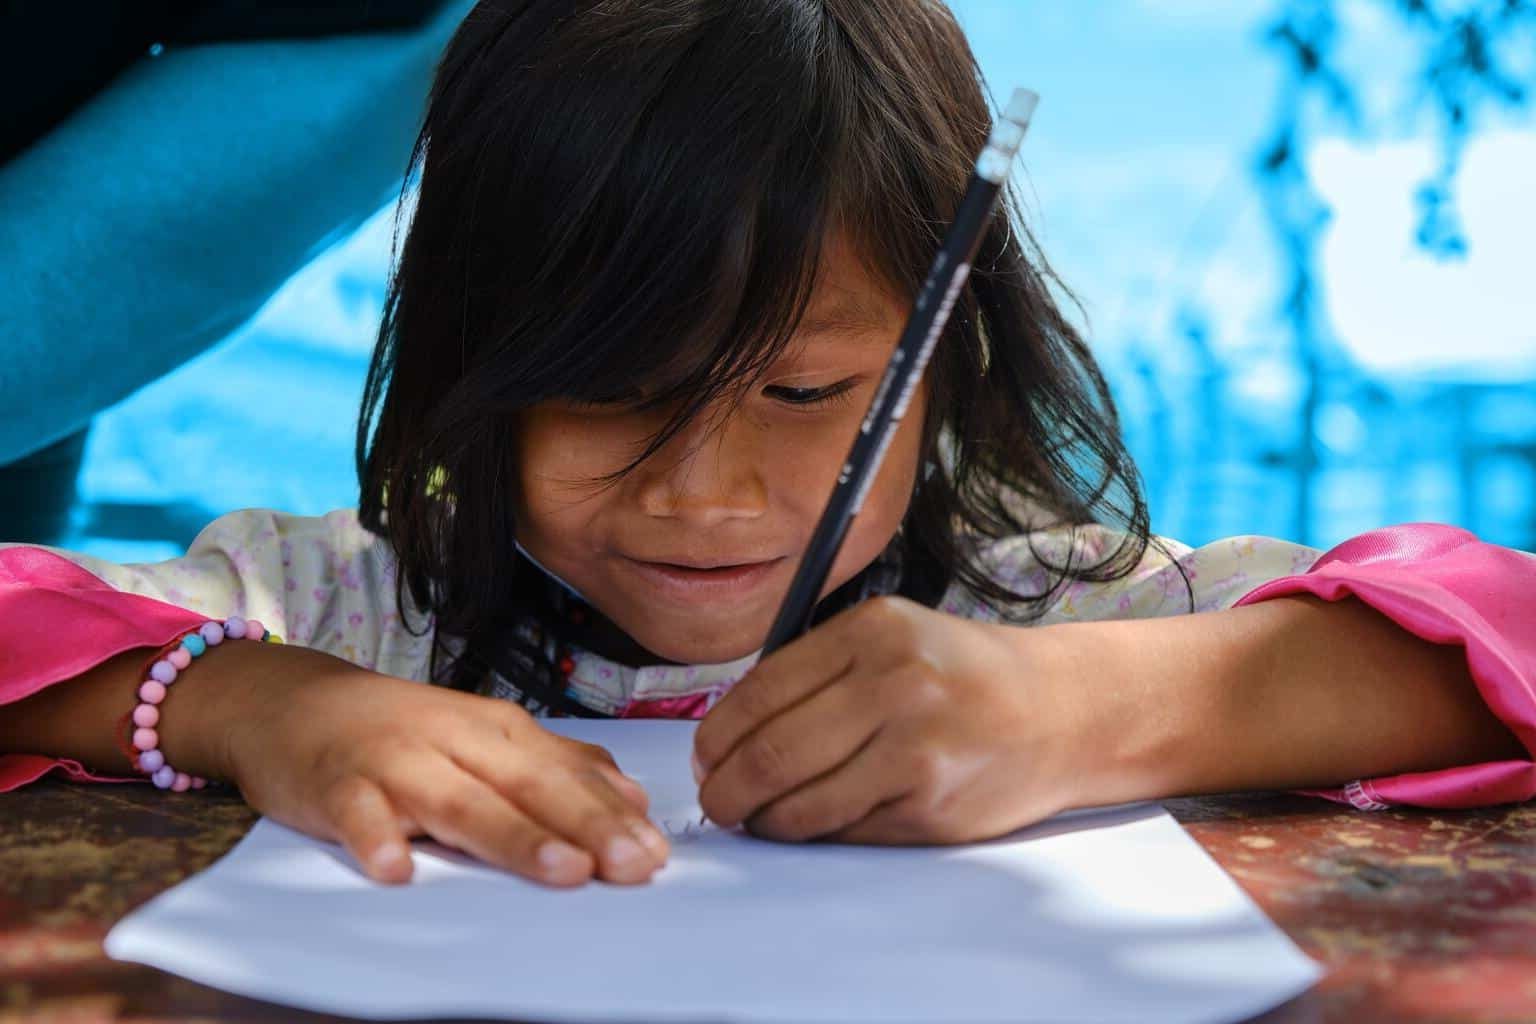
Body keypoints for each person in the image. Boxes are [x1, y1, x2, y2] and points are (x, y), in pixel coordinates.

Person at [2, 0, 1531, 891]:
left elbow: (1498, 635)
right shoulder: (347, 609)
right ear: (474, 363)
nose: (704, 493)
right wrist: (255, 703)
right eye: (609, 393)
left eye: (804, 394)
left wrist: (1091, 712)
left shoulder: (1052, 607)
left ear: (944, 361)